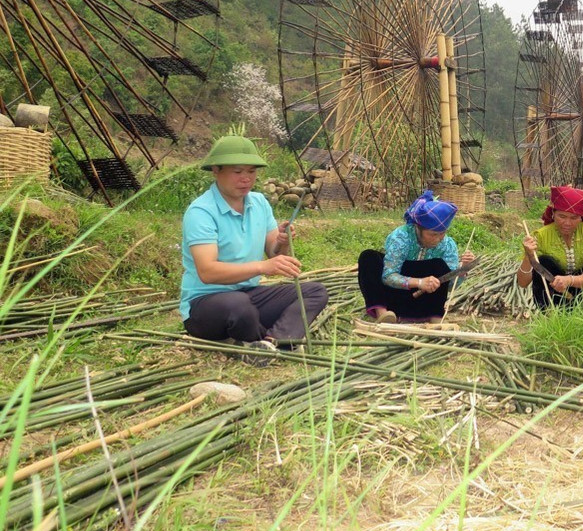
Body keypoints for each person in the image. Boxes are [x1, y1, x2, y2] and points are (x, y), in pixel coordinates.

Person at [179, 135, 329, 365]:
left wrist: (282, 242)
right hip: (207, 304)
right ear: (216, 170)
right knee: (239, 307)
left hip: (248, 294)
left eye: (251, 171)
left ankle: (272, 342)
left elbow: (274, 253)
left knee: (314, 292)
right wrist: (262, 267)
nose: (246, 178)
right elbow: (207, 272)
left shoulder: (259, 203)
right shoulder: (201, 212)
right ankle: (259, 336)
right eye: (237, 172)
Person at [358, 190, 475, 323]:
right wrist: (419, 282)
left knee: (439, 265)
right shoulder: (401, 237)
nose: (438, 239)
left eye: (442, 234)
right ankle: (383, 314)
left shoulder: (447, 245)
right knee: (369, 257)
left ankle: (435, 317)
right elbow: (388, 276)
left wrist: (463, 269)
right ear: (418, 228)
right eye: (432, 234)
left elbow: (449, 286)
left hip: (422, 303)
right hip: (394, 299)